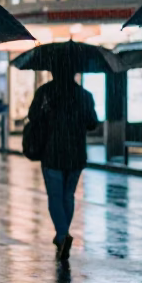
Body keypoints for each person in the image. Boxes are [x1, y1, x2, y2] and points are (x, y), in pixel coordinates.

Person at [26, 65, 99, 261]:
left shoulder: (45, 92)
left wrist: (48, 114)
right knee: (68, 195)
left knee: (55, 197)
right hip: (75, 153)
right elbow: (93, 122)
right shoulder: (84, 95)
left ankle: (62, 234)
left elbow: (32, 116)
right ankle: (63, 233)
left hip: (52, 152)